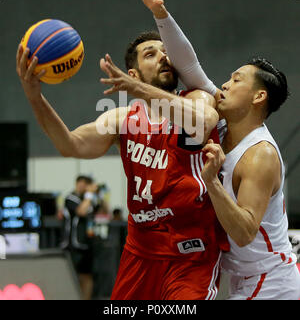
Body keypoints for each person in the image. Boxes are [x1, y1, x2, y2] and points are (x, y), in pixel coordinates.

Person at [16, 30, 229, 299]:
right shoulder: (123, 119)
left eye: (165, 51)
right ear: (134, 73)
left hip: (189, 254)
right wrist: (35, 97)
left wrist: (134, 88)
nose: (163, 56)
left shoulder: (195, 98)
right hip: (141, 251)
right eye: (150, 54)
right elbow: (69, 144)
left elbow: (201, 122)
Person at [135, 0, 300, 300]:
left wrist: (210, 181)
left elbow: (241, 232)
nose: (224, 84)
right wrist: (159, 11)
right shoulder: (222, 121)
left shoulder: (260, 156)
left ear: (258, 96)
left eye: (236, 80)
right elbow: (190, 66)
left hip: (271, 282)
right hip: (242, 278)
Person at [61, 175, 100, 300]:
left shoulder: (89, 199)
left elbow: (101, 209)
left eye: (86, 184)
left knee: (87, 276)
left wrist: (98, 194)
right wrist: (89, 195)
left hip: (87, 243)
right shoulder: (71, 198)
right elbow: (81, 211)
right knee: (73, 276)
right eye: (81, 184)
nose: (82, 187)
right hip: (73, 244)